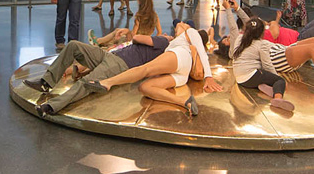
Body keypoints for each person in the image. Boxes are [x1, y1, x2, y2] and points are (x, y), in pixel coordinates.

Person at [73, 19, 221, 118]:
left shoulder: (190, 32)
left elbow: (201, 51)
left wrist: (209, 76)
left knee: (145, 69)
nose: (180, 24)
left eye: (182, 24)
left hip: (179, 57)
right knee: (145, 87)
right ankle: (184, 103)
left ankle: (107, 82)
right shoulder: (179, 40)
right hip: (181, 74)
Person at [26, 29, 172, 118]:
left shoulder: (164, 42)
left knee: (86, 83)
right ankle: (46, 82)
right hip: (110, 55)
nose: (166, 33)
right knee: (74, 46)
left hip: (119, 64)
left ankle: (51, 107)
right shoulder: (162, 47)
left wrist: (163, 38)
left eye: (170, 34)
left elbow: (137, 38)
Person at [224, 11, 314, 105]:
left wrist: (235, 9)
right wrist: (276, 80)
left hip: (283, 49)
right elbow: (267, 65)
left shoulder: (244, 37)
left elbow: (248, 23)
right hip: (280, 57)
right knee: (313, 47)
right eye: (226, 39)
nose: (229, 37)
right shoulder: (258, 43)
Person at [222, 0, 314, 67]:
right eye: (226, 40)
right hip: (296, 43)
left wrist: (237, 8)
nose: (228, 37)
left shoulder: (250, 33)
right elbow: (274, 31)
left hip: (297, 35)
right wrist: (273, 24)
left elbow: (250, 22)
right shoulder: (242, 41)